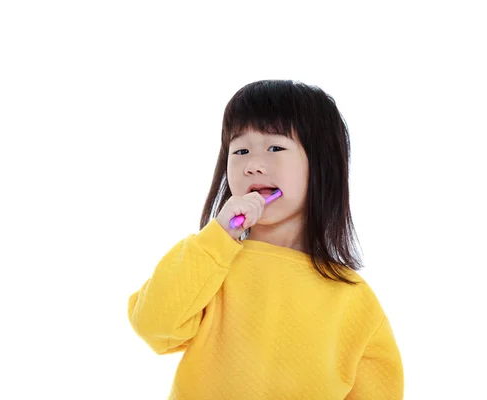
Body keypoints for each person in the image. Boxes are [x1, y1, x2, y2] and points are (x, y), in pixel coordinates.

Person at [127, 79, 404, 399]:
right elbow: (153, 325)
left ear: (321, 166)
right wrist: (218, 236)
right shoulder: (209, 264)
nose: (253, 165)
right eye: (240, 150)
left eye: (275, 147)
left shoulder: (353, 298)